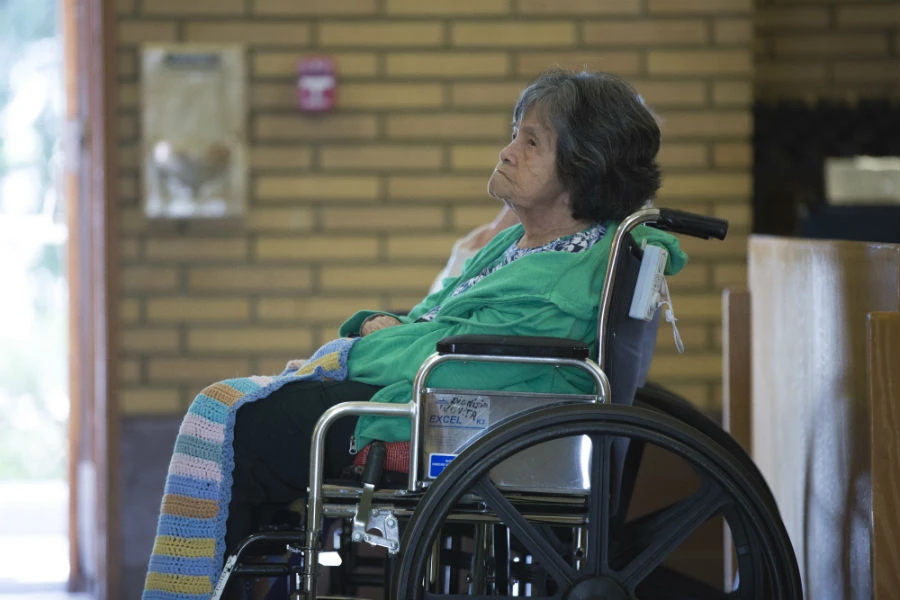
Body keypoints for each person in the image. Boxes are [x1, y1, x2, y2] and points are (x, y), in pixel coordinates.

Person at [143, 68, 687, 600]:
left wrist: (368, 344)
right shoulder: (521, 246)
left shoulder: (564, 279)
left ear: (582, 168)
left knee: (241, 425)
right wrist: (382, 328)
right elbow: (436, 319)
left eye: (531, 141)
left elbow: (462, 356)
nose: (507, 151)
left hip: (452, 418)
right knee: (245, 421)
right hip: (436, 396)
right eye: (513, 134)